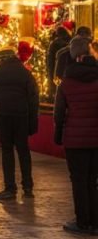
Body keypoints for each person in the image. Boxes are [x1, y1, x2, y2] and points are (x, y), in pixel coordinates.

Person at [55, 35, 98, 235]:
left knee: (79, 181)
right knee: (93, 180)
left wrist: (58, 135)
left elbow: (59, 113)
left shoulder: (66, 82)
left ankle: (82, 221)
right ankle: (95, 220)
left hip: (75, 139)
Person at [0, 46, 40, 201]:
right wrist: (32, 123)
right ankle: (28, 186)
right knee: (24, 151)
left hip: (2, 117)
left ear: (0, 61)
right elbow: (33, 99)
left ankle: (10, 188)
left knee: (7, 151)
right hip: (22, 116)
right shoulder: (26, 74)